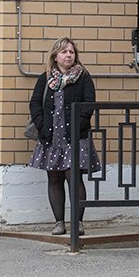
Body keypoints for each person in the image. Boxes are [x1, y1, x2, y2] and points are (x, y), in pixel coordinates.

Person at [29, 37, 101, 236]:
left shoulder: (83, 77)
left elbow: (89, 104)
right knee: (54, 177)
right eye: (64, 52)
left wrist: (79, 125)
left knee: (74, 176)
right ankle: (59, 222)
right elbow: (35, 103)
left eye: (71, 52)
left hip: (74, 137)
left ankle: (77, 222)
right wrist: (42, 127)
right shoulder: (45, 78)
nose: (68, 55)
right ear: (55, 56)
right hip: (51, 137)